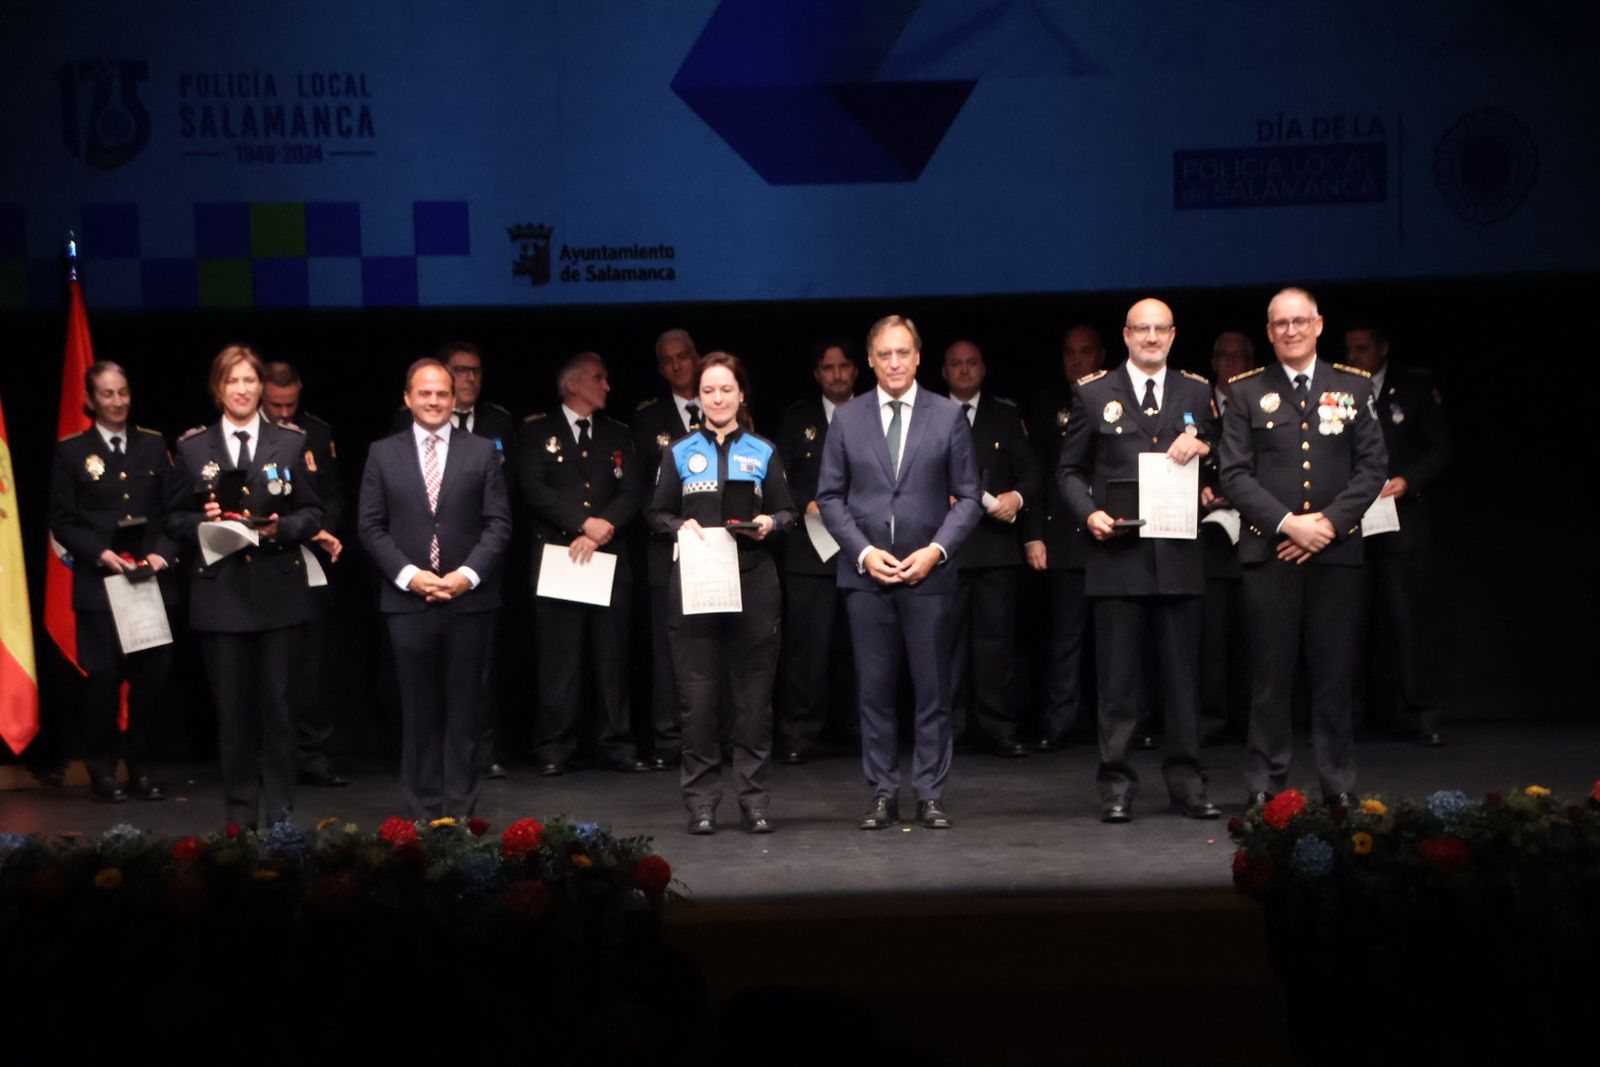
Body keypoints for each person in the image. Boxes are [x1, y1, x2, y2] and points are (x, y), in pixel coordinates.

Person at [1219, 288, 1387, 807]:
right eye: (1280, 324)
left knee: (1335, 675)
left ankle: (1339, 784)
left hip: (1336, 553)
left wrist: (1328, 525)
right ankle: (1265, 785)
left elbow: (1373, 468)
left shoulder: (1352, 385)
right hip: (1271, 554)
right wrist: (1289, 524)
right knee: (1270, 676)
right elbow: (1234, 474)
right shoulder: (1247, 391)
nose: (1290, 331)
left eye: (1299, 321)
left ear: (1318, 325)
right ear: (1269, 332)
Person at [1058, 299, 1221, 822]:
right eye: (1141, 329)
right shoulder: (1093, 392)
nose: (1151, 337)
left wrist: (1206, 454)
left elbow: (1223, 459)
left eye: (1160, 329)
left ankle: (1187, 784)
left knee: (1182, 681)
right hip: (1117, 556)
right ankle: (1116, 784)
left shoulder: (1196, 391)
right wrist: (1089, 513)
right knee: (1118, 682)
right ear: (1126, 335)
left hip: (1178, 554)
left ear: (1173, 335)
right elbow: (1067, 470)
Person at [817, 315, 982, 831]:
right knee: (874, 692)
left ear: (918, 357)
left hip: (928, 575)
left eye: (903, 353)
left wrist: (936, 551)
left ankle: (930, 793)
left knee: (933, 692)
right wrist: (864, 553)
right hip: (867, 577)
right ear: (870, 360)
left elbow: (970, 497)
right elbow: (829, 497)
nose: (894, 363)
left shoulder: (947, 415)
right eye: (884, 354)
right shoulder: (848, 418)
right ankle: (882, 792)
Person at [165, 344, 323, 828]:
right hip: (222, 595)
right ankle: (239, 818)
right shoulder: (193, 447)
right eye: (232, 381)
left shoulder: (291, 442)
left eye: (249, 381)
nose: (241, 389)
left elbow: (313, 512)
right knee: (233, 714)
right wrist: (203, 522)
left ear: (261, 387)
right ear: (218, 388)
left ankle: (280, 818)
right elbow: (172, 518)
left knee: (279, 710)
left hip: (278, 592)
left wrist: (281, 528)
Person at [647, 352, 795, 834]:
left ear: (741, 394)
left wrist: (771, 523)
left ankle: (753, 800)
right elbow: (656, 513)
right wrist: (678, 525)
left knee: (754, 701)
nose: (717, 398)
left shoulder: (763, 450)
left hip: (754, 581)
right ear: (698, 397)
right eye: (708, 391)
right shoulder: (679, 451)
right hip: (698, 581)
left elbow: (788, 511)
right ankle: (702, 802)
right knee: (698, 699)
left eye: (726, 389)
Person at [359, 358, 512, 819]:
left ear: (454, 398)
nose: (433, 401)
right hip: (408, 601)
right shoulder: (382, 453)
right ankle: (425, 812)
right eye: (424, 393)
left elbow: (498, 524)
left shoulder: (482, 451)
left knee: (466, 710)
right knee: (418, 710)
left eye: (442, 393)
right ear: (407, 398)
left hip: (469, 601)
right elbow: (370, 526)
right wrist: (410, 575)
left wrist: (467, 575)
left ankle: (460, 811)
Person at [48, 361, 177, 802]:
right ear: (90, 399)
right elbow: (62, 521)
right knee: (102, 681)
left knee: (150, 682)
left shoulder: (153, 445)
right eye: (107, 393)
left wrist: (162, 554)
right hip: (100, 584)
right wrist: (100, 553)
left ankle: (141, 768)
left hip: (148, 582)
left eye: (122, 392)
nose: (117, 401)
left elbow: (172, 512)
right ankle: (102, 771)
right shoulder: (72, 451)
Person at [518, 352, 647, 775]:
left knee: (612, 659)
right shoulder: (538, 431)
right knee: (560, 660)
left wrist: (601, 526)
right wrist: (581, 523)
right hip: (561, 554)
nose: (606, 385)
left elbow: (632, 491)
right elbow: (533, 488)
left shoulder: (618, 433)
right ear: (572, 384)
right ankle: (555, 747)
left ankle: (617, 745)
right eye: (597, 378)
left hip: (607, 554)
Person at [1343, 323, 1453, 746]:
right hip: (1351, 521)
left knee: (1406, 621)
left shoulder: (1412, 388)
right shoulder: (1338, 388)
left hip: (1400, 519)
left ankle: (1418, 712)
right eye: (1349, 349)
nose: (1354, 357)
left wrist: (1408, 480)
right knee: (1347, 623)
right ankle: (1346, 715)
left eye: (1362, 348)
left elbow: (1440, 447)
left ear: (1382, 349)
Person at [941, 339, 1038, 757]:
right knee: (945, 646)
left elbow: (1031, 473)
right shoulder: (931, 414)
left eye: (971, 363)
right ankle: (947, 729)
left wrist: (1017, 496)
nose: (964, 370)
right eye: (956, 364)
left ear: (983, 368)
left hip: (996, 546)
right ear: (944, 371)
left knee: (996, 644)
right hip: (944, 548)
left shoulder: (1005, 415)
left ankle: (999, 727)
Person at [262, 360, 349, 788]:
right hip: (260, 561)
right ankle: (267, 756)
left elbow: (331, 494)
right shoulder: (244, 438)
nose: (283, 413)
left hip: (309, 556)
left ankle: (312, 753)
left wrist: (320, 529)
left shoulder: (315, 432)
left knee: (311, 665)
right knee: (266, 669)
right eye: (275, 405)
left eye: (290, 405)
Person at [774, 339, 860, 765]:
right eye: (829, 367)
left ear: (856, 370)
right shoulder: (797, 419)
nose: (837, 375)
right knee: (808, 648)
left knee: (860, 648)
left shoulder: (873, 414)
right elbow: (778, 476)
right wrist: (806, 501)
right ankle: (799, 734)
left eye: (844, 366)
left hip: (864, 548)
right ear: (816, 373)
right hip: (811, 550)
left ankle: (857, 731)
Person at [1024, 325, 1105, 751]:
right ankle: (1060, 722)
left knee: (1118, 640)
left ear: (1101, 355)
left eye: (1085, 351)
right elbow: (1037, 475)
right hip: (1065, 535)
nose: (1077, 360)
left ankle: (1123, 724)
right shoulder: (1046, 404)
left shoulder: (1119, 395)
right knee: (1065, 637)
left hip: (1115, 535)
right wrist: (1034, 534)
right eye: (1070, 352)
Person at [632, 328, 704, 770]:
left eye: (683, 356)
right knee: (667, 648)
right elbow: (640, 489)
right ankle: (668, 739)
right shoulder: (648, 418)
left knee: (715, 646)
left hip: (719, 548)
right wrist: (672, 527)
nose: (677, 366)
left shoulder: (724, 408)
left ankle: (716, 735)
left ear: (696, 358)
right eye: (667, 360)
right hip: (668, 547)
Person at [1198, 332, 1256, 743]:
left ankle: (1254, 721)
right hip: (1210, 535)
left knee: (1255, 636)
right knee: (1212, 637)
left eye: (1240, 357)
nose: (1232, 364)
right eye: (1225, 357)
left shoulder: (1262, 399)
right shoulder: (1195, 403)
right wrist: (1198, 487)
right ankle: (1211, 720)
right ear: (1214, 362)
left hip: (1256, 530)